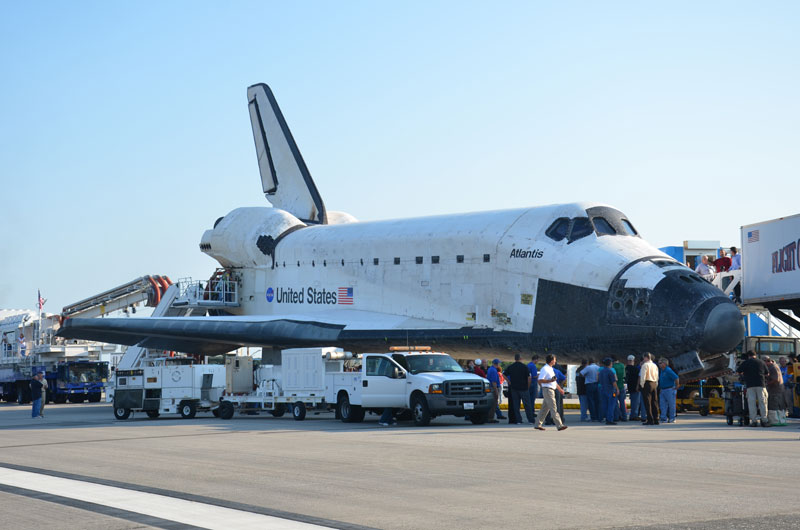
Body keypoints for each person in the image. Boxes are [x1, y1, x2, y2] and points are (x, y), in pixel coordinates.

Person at [736, 350, 769, 427]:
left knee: (752, 403)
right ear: (755, 355)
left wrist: (745, 375)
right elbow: (767, 373)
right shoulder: (761, 362)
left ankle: (754, 421)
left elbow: (738, 372)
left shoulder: (746, 362)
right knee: (762, 403)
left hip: (750, 385)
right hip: (761, 384)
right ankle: (764, 420)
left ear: (748, 356)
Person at [535, 354, 567, 431]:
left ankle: (538, 424)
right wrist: (549, 381)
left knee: (545, 409)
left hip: (551, 389)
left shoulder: (550, 369)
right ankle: (559, 425)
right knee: (553, 407)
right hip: (548, 390)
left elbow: (554, 382)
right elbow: (540, 380)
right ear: (552, 360)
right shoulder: (545, 369)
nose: (555, 361)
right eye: (555, 359)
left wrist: (560, 389)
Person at [504, 353, 535, 425]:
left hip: (514, 388)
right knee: (527, 405)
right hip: (524, 388)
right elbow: (529, 378)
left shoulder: (511, 366)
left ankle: (518, 420)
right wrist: (528, 386)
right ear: (520, 358)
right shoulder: (524, 367)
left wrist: (509, 382)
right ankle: (530, 420)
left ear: (515, 359)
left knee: (516, 405)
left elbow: (504, 374)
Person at [764, 356, 787, 426]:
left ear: (767, 361)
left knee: (775, 406)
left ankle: (776, 421)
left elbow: (775, 379)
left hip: (775, 390)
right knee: (779, 406)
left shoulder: (773, 367)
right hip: (778, 390)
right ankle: (780, 420)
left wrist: (767, 384)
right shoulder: (774, 366)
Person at [639, 353, 660, 425]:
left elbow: (643, 376)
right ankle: (656, 419)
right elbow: (657, 376)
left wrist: (642, 385)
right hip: (654, 383)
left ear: (646, 358)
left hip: (647, 383)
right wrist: (656, 384)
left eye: (644, 358)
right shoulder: (655, 365)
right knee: (654, 402)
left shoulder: (645, 365)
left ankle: (650, 419)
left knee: (647, 403)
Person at [658, 359, 679, 423]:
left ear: (664, 364)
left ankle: (672, 418)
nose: (659, 364)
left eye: (660, 363)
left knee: (671, 404)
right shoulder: (662, 370)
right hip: (663, 389)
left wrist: (677, 385)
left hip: (669, 389)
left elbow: (676, 377)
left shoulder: (668, 370)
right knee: (662, 405)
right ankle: (663, 418)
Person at [599, 358, 619, 425]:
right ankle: (609, 419)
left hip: (602, 389)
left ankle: (603, 417)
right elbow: (614, 382)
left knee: (604, 405)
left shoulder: (601, 371)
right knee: (611, 405)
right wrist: (617, 389)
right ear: (610, 364)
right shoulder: (610, 372)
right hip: (611, 391)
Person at [625, 355, 643, 421]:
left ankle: (632, 415)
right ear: (633, 360)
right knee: (636, 402)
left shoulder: (626, 368)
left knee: (632, 401)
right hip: (635, 387)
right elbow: (639, 377)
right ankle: (634, 415)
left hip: (630, 386)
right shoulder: (635, 369)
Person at [527, 355, 540, 423]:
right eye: (537, 360)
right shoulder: (533, 366)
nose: (537, 361)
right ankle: (532, 412)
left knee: (529, 399)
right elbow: (534, 375)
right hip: (533, 383)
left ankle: (531, 411)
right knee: (532, 399)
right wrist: (539, 375)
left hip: (528, 383)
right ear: (535, 359)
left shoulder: (528, 365)